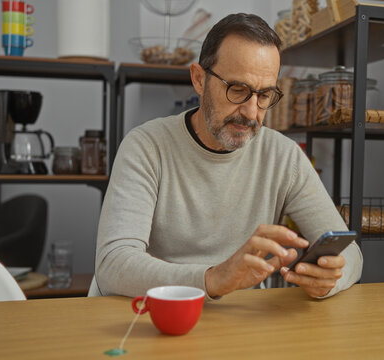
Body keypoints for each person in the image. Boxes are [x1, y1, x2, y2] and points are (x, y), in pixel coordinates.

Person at [92, 13, 362, 300]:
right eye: (238, 89)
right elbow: (113, 265)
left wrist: (331, 278)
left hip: (236, 322)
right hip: (150, 315)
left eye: (264, 95)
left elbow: (351, 256)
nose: (250, 112)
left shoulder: (285, 157)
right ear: (199, 79)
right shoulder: (146, 147)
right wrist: (212, 279)